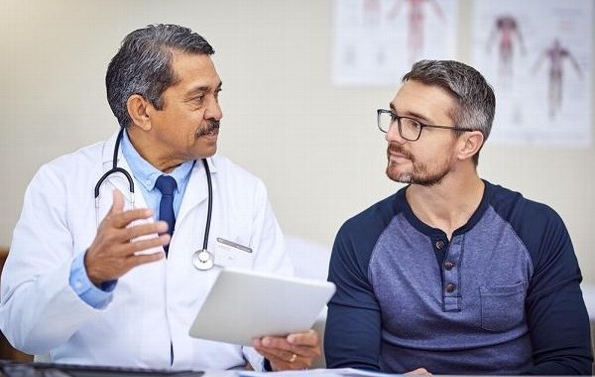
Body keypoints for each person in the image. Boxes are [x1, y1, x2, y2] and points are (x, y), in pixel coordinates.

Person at [0, 24, 319, 372]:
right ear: (141, 111)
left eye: (217, 94)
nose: (216, 111)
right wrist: (90, 272)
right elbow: (21, 330)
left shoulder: (245, 191)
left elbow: (267, 329)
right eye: (199, 98)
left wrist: (278, 354)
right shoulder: (61, 184)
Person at [324, 59, 593, 374]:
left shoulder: (537, 228)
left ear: (468, 144)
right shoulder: (359, 237)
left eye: (415, 124)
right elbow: (349, 370)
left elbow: (569, 366)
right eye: (395, 116)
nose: (392, 135)